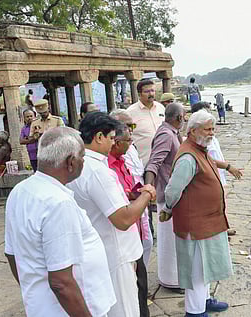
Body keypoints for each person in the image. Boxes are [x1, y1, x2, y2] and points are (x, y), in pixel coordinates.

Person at [4, 127, 116, 316]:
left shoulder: (21, 190)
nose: (84, 162)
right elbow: (61, 282)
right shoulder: (58, 203)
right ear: (71, 163)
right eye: (82, 157)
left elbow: (12, 255)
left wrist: (34, 291)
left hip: (44, 307)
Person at [67, 112, 156, 317]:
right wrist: (146, 194)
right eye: (111, 138)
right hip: (116, 253)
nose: (113, 143)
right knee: (125, 310)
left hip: (100, 249)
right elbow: (123, 219)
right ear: (99, 137)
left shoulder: (79, 165)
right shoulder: (97, 169)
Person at [161, 110, 232, 317]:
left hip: (208, 221)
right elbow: (173, 190)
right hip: (195, 224)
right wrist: (167, 209)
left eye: (213, 128)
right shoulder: (188, 157)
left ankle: (205, 301)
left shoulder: (200, 148)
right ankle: (195, 311)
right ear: (193, 131)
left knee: (206, 266)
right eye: (208, 129)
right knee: (197, 271)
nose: (212, 133)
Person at [144, 103, 185, 293]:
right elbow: (154, 163)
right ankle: (171, 280)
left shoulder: (173, 133)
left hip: (175, 193)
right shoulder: (166, 135)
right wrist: (149, 189)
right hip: (168, 195)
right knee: (170, 239)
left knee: (174, 238)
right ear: (179, 118)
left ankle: (176, 277)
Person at [110, 109, 153, 267]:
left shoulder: (130, 147)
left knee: (147, 242)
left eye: (132, 126)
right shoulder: (110, 158)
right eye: (127, 126)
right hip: (127, 209)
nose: (130, 131)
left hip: (139, 200)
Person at [191, 102, 243, 184]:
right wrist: (227, 167)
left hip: (218, 176)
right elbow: (204, 159)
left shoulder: (210, 137)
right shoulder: (199, 140)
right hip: (210, 178)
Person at [126, 79, 165, 165]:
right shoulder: (131, 113)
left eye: (152, 90)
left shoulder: (161, 108)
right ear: (139, 94)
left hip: (163, 160)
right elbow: (128, 134)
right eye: (147, 91)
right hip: (144, 161)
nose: (151, 94)